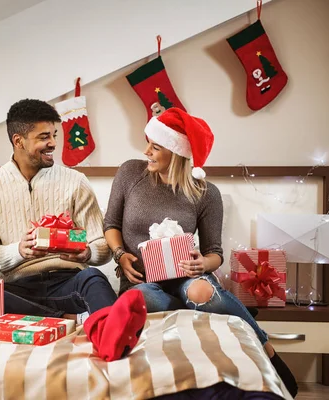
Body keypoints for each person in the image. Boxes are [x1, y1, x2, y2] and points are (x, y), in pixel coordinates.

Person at [103, 107, 297, 397]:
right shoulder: (130, 173)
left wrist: (201, 263)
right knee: (143, 298)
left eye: (155, 146)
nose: (146, 151)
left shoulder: (206, 193)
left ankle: (266, 347)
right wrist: (120, 255)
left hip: (184, 276)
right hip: (141, 278)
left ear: (176, 152)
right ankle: (195, 315)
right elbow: (111, 224)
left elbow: (214, 252)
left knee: (201, 293)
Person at [0, 99, 119, 324]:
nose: (53, 143)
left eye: (54, 135)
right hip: (15, 288)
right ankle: (65, 319)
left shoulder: (76, 181)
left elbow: (102, 246)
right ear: (19, 141)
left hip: (67, 282)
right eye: (44, 137)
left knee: (94, 278)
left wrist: (87, 253)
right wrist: (19, 251)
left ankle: (113, 328)